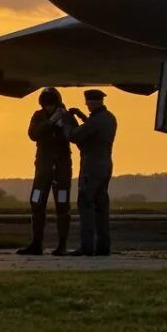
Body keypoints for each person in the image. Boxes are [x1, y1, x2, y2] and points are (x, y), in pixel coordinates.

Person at [19, 88, 74, 256]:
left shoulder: (67, 117)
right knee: (36, 202)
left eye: (51, 104)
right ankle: (36, 244)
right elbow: (33, 134)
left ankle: (62, 245)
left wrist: (63, 121)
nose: (48, 107)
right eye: (45, 104)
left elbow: (73, 135)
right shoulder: (38, 115)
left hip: (62, 169)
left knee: (62, 206)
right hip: (43, 169)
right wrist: (50, 121)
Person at [68, 89, 118, 257]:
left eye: (87, 102)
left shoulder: (95, 122)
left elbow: (75, 136)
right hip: (105, 165)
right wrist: (81, 116)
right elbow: (91, 127)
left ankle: (87, 246)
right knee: (102, 207)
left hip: (91, 166)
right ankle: (103, 246)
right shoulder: (109, 118)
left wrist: (68, 122)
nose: (86, 105)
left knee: (86, 205)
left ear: (90, 102)